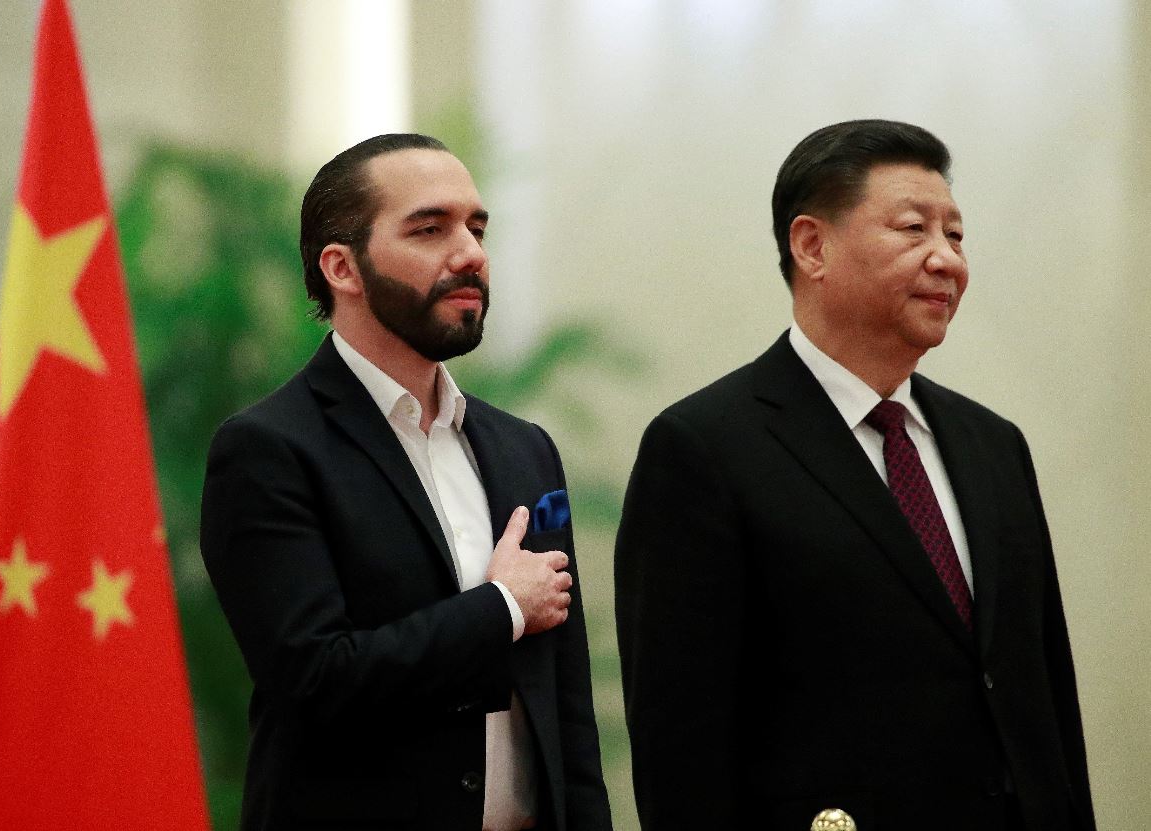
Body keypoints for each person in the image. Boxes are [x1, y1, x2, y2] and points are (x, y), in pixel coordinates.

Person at [614, 119, 1095, 831]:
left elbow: (1044, 694)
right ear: (811, 245)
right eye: (912, 229)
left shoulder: (992, 444)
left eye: (955, 236)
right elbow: (681, 745)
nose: (946, 260)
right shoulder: (704, 448)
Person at [201, 133, 612, 831]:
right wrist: (500, 607)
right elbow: (315, 679)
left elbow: (562, 701)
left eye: (476, 227)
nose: (471, 253)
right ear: (343, 267)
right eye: (430, 228)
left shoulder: (523, 448)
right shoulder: (268, 449)